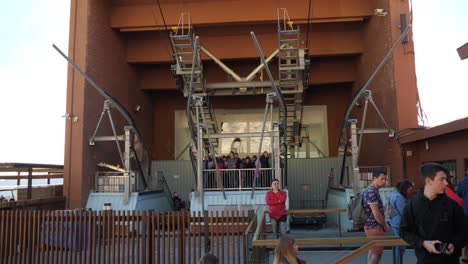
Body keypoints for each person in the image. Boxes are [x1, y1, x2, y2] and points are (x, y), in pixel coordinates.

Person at [400, 163, 468, 263]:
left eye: (446, 179)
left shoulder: (452, 205)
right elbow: (404, 231)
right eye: (441, 179)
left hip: (450, 260)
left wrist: (454, 244)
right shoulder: (412, 205)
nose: (446, 183)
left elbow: (464, 231)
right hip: (424, 260)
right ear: (428, 181)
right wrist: (422, 243)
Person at [362, 169, 389, 264]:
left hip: (371, 225)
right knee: (377, 254)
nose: (384, 181)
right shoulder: (371, 192)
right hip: (374, 227)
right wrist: (385, 225)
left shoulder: (371, 190)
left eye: (385, 179)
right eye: (382, 179)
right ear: (374, 178)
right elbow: (376, 214)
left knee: (372, 251)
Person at [388, 180, 413, 264]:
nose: (410, 192)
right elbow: (404, 212)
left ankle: (398, 261)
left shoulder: (393, 194)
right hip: (399, 223)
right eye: (409, 190)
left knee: (398, 245)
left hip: (394, 221)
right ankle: (398, 262)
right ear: (405, 188)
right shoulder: (399, 197)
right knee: (400, 246)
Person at [457, 169, 468, 263]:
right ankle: (465, 255)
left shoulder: (462, 182)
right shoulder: (463, 182)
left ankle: (465, 255)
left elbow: (458, 197)